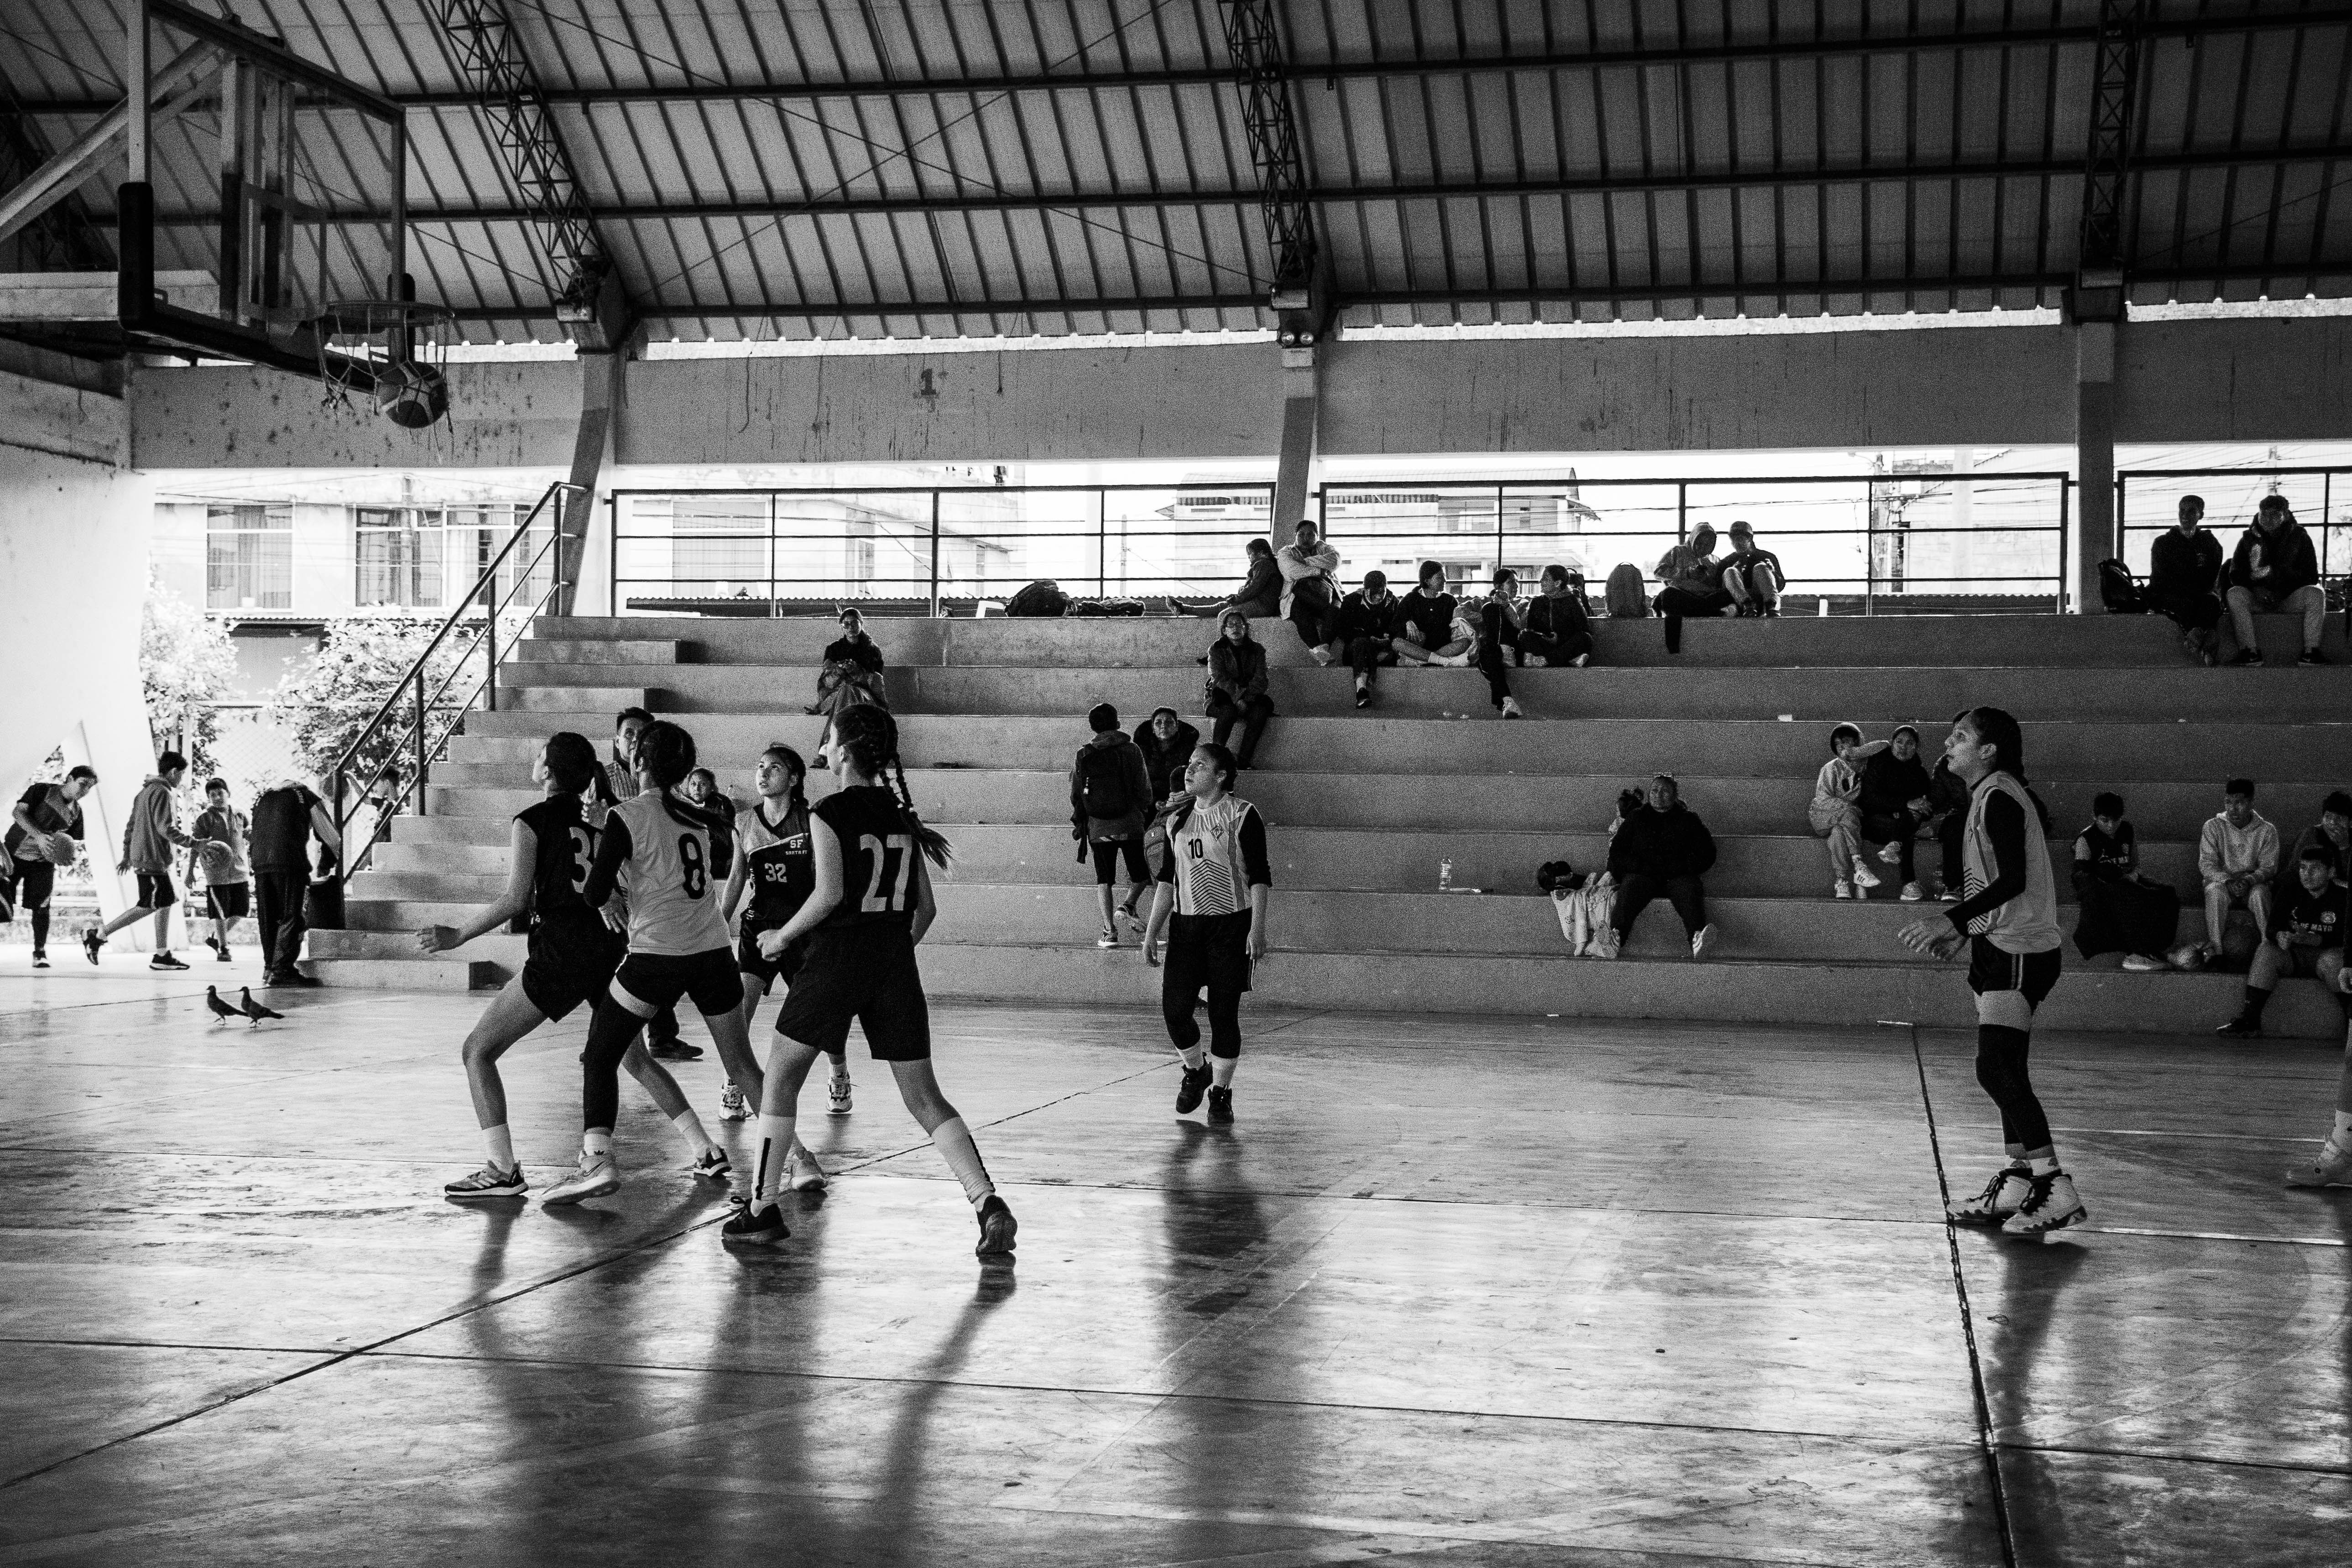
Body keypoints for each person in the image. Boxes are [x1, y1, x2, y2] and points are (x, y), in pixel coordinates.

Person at [723, 705, 1017, 1257]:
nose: (823, 747)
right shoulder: (900, 811)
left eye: (829, 738)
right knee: (925, 1096)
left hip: (838, 955)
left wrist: (780, 937)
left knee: (780, 1077)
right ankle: (987, 1202)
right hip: (893, 959)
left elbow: (829, 894)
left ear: (845, 748)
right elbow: (924, 909)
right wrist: (888, 957)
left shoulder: (829, 809)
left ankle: (761, 1208)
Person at [422, 733, 731, 1200]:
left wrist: (459, 934)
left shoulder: (531, 820)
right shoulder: (603, 821)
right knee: (633, 1058)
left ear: (547, 770)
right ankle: (705, 1147)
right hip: (610, 949)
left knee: (478, 1050)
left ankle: (502, 1167)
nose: (535, 760)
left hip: (561, 954)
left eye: (539, 755)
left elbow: (514, 899)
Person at [543, 720, 777, 1207]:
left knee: (601, 1054)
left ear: (640, 762)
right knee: (742, 1065)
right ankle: (796, 1158)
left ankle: (596, 1158)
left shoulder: (628, 814)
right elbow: (663, 867)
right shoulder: (693, 813)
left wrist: (608, 844)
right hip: (713, 951)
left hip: (658, 955)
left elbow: (593, 892)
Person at [1898, 707, 2082, 1237]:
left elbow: (2015, 881)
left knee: (1994, 1067)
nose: (1948, 743)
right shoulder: (1982, 797)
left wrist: (1950, 917)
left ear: (1988, 751)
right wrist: (1966, 930)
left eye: (1960, 736)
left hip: (2020, 949)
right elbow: (1991, 886)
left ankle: (2054, 1182)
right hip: (1996, 943)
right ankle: (2021, 1177)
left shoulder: (2000, 795)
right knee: (2006, 1069)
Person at [1141, 741, 1271, 1125]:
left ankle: (1221, 1092)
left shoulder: (1242, 814)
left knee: (1222, 1014)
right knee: (1175, 1009)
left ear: (1221, 776)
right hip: (1186, 926)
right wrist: (1152, 932)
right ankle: (1196, 1071)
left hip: (1230, 925)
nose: (1190, 770)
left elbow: (1260, 876)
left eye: (1200, 765)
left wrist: (1257, 929)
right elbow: (1167, 879)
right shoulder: (1175, 820)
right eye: (1189, 764)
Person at [720, 743, 850, 1129]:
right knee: (739, 1012)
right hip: (759, 927)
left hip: (802, 929)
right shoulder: (743, 822)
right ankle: (735, 1082)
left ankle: (839, 1072)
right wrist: (715, 924)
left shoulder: (812, 820)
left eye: (774, 768)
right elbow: (736, 879)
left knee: (821, 1013)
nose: (763, 773)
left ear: (794, 778)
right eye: (759, 766)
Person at [83, 751, 222, 972]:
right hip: (151, 858)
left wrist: (128, 855)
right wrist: (194, 843)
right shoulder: (163, 792)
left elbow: (131, 826)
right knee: (149, 904)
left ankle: (161, 955)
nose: (182, 779)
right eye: (182, 774)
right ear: (174, 772)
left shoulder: (144, 792)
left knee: (164, 902)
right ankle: (99, 935)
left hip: (147, 857)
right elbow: (165, 828)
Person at [2219, 845, 2347, 1038]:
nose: (2307, 874)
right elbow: (2272, 927)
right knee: (2266, 951)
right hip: (2294, 955)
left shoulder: (2343, 897)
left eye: (2315, 869)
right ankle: (2250, 1020)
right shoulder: (2290, 890)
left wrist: (2317, 939)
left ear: (2331, 872)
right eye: (2303, 868)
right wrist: (2280, 935)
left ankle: (2351, 1021)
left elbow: (2348, 936)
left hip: (2327, 955)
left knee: (2334, 961)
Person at [1604, 774, 1719, 959]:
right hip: (1643, 876)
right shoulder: (1636, 818)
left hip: (1676, 877)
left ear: (1675, 796)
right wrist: (1637, 867)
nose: (1659, 794)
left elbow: (1707, 853)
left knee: (1690, 888)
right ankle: (1615, 937)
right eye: (1655, 790)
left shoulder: (1688, 820)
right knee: (1630, 886)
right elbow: (1617, 853)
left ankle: (1697, 939)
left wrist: (1683, 867)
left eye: (1665, 791)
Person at [246, 775, 341, 987]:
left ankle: (270, 968)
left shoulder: (264, 798)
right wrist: (327, 862)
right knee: (293, 916)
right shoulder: (306, 796)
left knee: (268, 917)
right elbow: (332, 837)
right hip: (290, 863)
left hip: (260, 863)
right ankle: (283, 972)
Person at [1072, 702, 1154, 947]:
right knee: (1142, 874)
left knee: (1104, 879)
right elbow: (1144, 786)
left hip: (1098, 827)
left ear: (1092, 727)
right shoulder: (1132, 750)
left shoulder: (1084, 753)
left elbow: (1076, 792)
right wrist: (1143, 808)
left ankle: (1109, 932)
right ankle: (1128, 904)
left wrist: (1080, 820)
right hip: (1130, 823)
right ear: (1118, 723)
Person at [2070, 792, 2180, 971]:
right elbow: (2082, 875)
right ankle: (2137, 952)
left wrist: (2134, 875)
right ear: (2095, 817)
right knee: (2127, 899)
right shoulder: (2086, 839)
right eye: (2105, 821)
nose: (2111, 826)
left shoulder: (2127, 830)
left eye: (2116, 820)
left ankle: (2154, 948)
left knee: (2166, 895)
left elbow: (2135, 863)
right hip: (2102, 886)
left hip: (2126, 880)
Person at [6, 765, 95, 968]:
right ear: (70, 779)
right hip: (14, 855)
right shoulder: (41, 790)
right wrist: (39, 836)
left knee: (42, 908)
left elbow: (71, 842)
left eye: (89, 788)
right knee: (2, 905)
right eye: (82, 784)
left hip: (43, 864)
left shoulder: (76, 812)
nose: (85, 791)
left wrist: (66, 856)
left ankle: (40, 952)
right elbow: (19, 813)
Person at [2224, 495, 2328, 666]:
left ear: (2285, 515)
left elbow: (2311, 576)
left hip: (2288, 599)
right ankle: (2250, 653)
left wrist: (2281, 588)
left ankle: (2311, 653)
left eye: (2274, 514)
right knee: (2235, 594)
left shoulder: (2300, 538)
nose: (2268, 519)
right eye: (2264, 514)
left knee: (2316, 593)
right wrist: (2256, 590)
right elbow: (2236, 575)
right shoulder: (2248, 539)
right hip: (2258, 600)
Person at [2199, 778, 2279, 959]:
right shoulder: (2213, 826)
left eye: (2239, 803)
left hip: (2253, 884)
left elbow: (2270, 866)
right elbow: (2207, 864)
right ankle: (2217, 952)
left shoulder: (2267, 830)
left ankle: (2268, 949)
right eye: (2228, 802)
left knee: (2260, 895)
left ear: (2251, 802)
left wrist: (2249, 880)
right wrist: (2228, 880)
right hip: (2223, 883)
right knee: (2214, 892)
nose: (2232, 809)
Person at [1858, 724, 1935, 902]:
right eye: (1899, 742)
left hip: (1903, 823)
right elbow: (1868, 801)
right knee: (1906, 826)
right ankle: (1909, 884)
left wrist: (1918, 812)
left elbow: (1925, 807)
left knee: (1909, 820)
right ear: (1892, 743)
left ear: (1916, 747)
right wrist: (1906, 805)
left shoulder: (1919, 773)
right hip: (1874, 822)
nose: (1903, 747)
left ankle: (1894, 846)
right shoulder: (1877, 764)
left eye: (1910, 743)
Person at [1810, 724, 1887, 898]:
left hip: (1844, 823)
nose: (1842, 747)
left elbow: (1885, 745)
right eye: (1838, 744)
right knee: (1849, 813)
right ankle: (1859, 864)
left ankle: (1842, 882)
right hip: (1823, 815)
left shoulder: (1867, 765)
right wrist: (1849, 807)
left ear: (1858, 742)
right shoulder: (1831, 768)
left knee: (1837, 835)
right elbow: (1823, 799)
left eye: (1846, 742)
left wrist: (1856, 753)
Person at [2148, 494, 2225, 665]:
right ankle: (2204, 636)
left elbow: (2211, 575)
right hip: (2173, 594)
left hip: (2200, 593)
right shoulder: (2163, 543)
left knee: (2211, 603)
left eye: (2191, 511)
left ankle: (2195, 635)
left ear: (2201, 515)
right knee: (2184, 604)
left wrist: (2194, 586)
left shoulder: (2210, 544)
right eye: (2182, 510)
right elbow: (2160, 578)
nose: (2185, 515)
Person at [811, 606, 888, 767]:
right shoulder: (834, 649)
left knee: (849, 690)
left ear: (862, 623)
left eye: (854, 623)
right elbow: (827, 681)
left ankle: (825, 750)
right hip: (837, 694)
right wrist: (839, 671)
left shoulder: (872, 650)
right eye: (846, 624)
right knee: (845, 691)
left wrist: (857, 673)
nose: (851, 628)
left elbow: (877, 682)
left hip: (865, 695)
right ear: (841, 626)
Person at [189, 777, 250, 964]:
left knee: (242, 910)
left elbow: (248, 834)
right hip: (217, 874)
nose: (217, 797)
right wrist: (190, 871)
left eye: (220, 793)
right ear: (209, 798)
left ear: (228, 794)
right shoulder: (205, 819)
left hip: (240, 871)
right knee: (220, 913)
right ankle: (223, 948)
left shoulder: (240, 814)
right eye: (212, 795)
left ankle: (216, 937)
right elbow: (195, 846)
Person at [1205, 609, 1274, 771]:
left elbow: (1261, 679)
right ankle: (1215, 759)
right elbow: (1219, 678)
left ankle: (1244, 760)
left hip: (1251, 697)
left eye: (1239, 624)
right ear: (1224, 630)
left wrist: (1247, 699)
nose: (1235, 628)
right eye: (1230, 625)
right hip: (1222, 697)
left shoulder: (1257, 650)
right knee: (1228, 712)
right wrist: (1238, 699)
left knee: (1260, 712)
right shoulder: (1216, 649)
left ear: (1246, 628)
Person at [1653, 526, 1733, 654]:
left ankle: (1704, 610)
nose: (1703, 547)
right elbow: (1659, 572)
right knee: (1668, 594)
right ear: (1693, 540)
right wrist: (1687, 573)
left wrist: (1708, 578)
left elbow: (1720, 586)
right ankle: (1711, 612)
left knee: (1727, 594)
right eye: (1699, 543)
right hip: (1682, 597)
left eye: (1708, 544)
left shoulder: (1715, 560)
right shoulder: (1678, 552)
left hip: (1706, 598)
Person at [1331, 572, 1402, 708]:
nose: (1378, 596)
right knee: (1361, 644)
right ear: (1365, 590)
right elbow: (1342, 629)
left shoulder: (1393, 602)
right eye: (1374, 592)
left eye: (1382, 592)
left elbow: (1397, 627)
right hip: (1358, 648)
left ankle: (1369, 669)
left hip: (1382, 650)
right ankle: (1361, 690)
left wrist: (1388, 638)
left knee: (1394, 649)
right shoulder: (1352, 601)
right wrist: (1367, 637)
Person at [1275, 520, 1341, 660]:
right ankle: (1319, 650)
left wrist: (1306, 562)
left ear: (1317, 536)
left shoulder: (1324, 548)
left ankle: (1322, 649)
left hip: (1329, 594)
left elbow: (1334, 561)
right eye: (1301, 534)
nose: (1306, 539)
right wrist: (1320, 571)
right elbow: (1292, 571)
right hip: (1299, 595)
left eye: (1311, 535)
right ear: (1295, 535)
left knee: (1335, 611)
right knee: (1299, 610)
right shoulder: (1286, 552)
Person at [1175, 538, 1282, 619]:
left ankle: (1184, 609)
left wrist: (1237, 599)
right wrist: (1238, 597)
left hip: (1262, 606)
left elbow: (1254, 588)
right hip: (1263, 604)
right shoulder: (1269, 565)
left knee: (1224, 612)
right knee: (1220, 606)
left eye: (1251, 554)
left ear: (1262, 553)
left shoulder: (1264, 564)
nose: (1249, 557)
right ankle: (1184, 608)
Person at [1473, 569, 1529, 719]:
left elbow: (1520, 624)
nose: (1516, 586)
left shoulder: (1523, 604)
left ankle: (1505, 650)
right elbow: (1459, 612)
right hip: (1494, 651)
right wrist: (1480, 616)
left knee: (1488, 655)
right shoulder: (1484, 602)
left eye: (1517, 582)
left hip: (1515, 648)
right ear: (1498, 586)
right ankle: (1508, 701)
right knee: (1487, 651)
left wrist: (1506, 605)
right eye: (1511, 582)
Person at [1515, 564, 1595, 669]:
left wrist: (1559, 639)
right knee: (1525, 637)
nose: (1541, 581)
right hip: (1547, 646)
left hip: (1565, 645)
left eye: (1545, 579)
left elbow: (1584, 630)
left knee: (1586, 638)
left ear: (1558, 583)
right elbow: (1532, 629)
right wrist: (1545, 636)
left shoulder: (1572, 601)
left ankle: (1547, 660)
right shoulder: (1537, 602)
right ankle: (1564, 660)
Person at [1388, 561, 1459, 669]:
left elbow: (1452, 630)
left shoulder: (1450, 601)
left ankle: (1423, 660)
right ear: (1427, 581)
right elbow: (1394, 627)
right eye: (1439, 578)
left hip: (1442, 648)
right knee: (1397, 643)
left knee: (1465, 642)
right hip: (1418, 648)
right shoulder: (1410, 599)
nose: (1444, 581)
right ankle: (1438, 660)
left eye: (1444, 577)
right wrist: (1407, 623)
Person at [1132, 705, 1201, 805]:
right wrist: (1154, 802)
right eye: (1158, 723)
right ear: (1153, 728)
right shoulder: (1142, 751)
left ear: (1177, 727)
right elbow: (1138, 782)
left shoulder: (1191, 751)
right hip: (1149, 802)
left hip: (1180, 801)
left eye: (1169, 722)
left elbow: (1196, 781)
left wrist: (1176, 799)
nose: (1164, 726)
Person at [2285, 790, 2352, 890]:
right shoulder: (2312, 835)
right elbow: (2294, 871)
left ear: (2350, 823)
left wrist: (2343, 846)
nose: (2333, 823)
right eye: (2328, 817)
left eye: (2340, 818)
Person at [1718, 521, 1784, 617]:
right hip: (1735, 604)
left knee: (1760, 568)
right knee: (1730, 571)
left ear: (1750, 538)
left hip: (1761, 601)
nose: (1737, 543)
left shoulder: (1766, 557)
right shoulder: (1726, 562)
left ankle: (1771, 605)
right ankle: (1747, 605)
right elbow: (1718, 588)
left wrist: (1772, 573)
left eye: (1740, 539)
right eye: (1734, 540)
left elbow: (1781, 585)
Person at [606, 706, 654, 803]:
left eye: (642, 734)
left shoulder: (661, 776)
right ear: (617, 742)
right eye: (629, 733)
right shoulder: (605, 778)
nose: (636, 739)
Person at [683, 767, 736, 834]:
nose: (697, 789)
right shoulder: (684, 802)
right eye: (693, 784)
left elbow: (727, 829)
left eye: (703, 784)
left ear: (711, 787)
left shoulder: (722, 803)